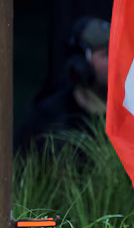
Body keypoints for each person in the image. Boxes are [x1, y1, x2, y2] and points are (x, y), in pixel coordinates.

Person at [14, 17, 109, 154]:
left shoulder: (131, 117)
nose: (117, 62)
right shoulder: (48, 120)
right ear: (81, 64)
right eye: (106, 55)